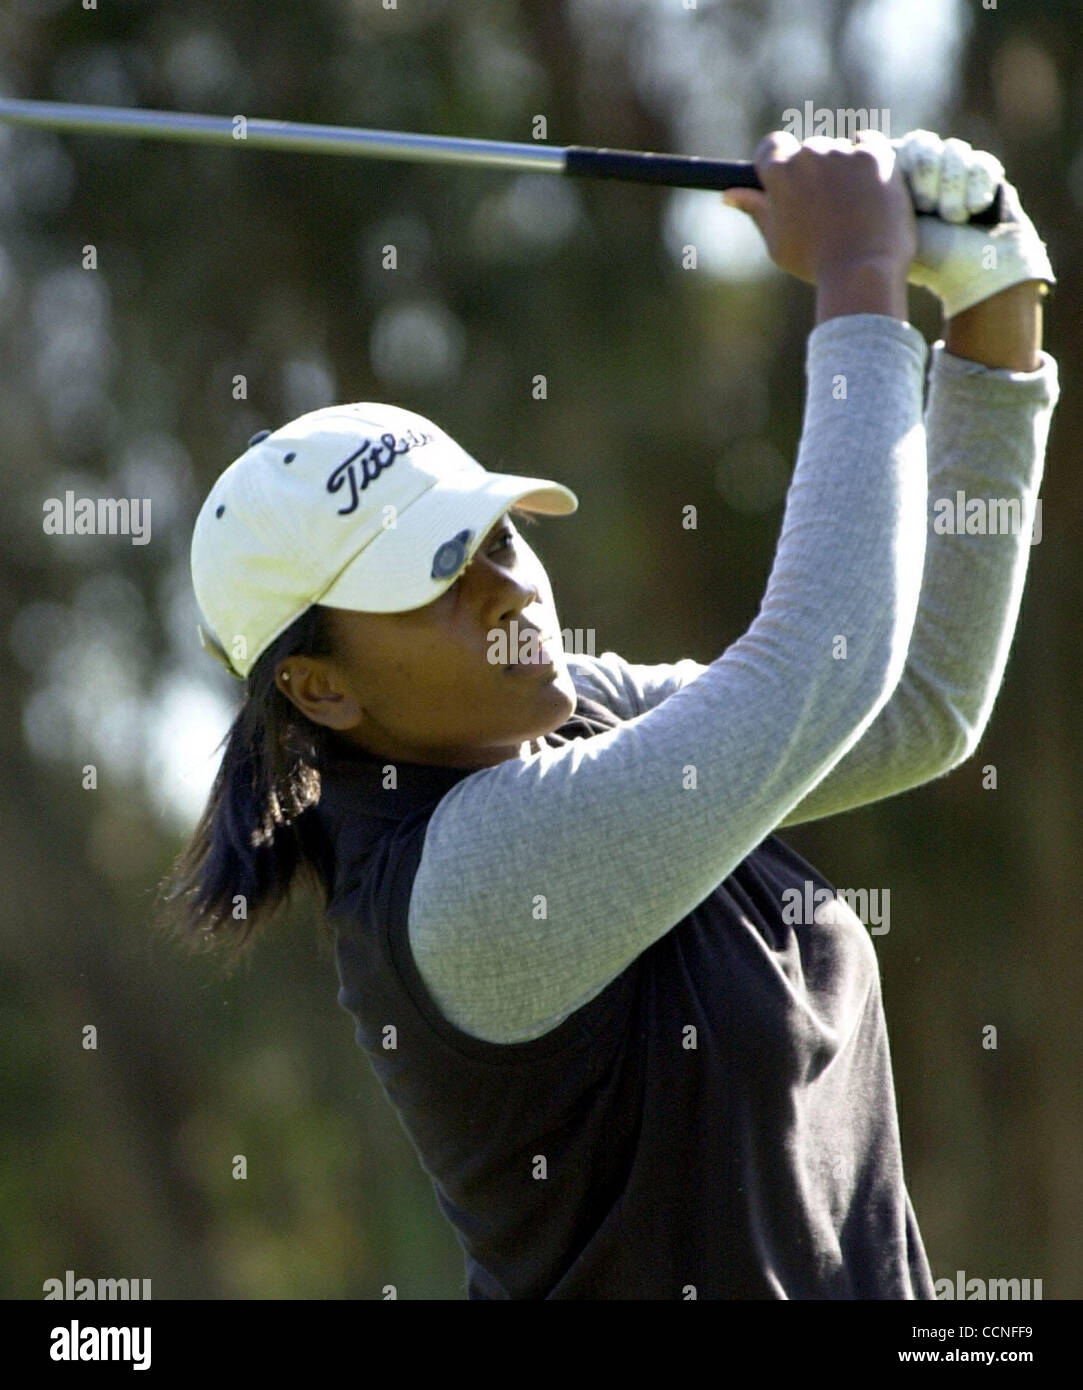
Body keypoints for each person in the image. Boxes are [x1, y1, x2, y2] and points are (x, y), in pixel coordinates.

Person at [158, 129, 1059, 1298]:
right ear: (319, 686)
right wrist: (856, 283)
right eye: (435, 579)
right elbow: (823, 669)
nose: (508, 588)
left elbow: (912, 704)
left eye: (500, 536)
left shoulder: (576, 716)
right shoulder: (464, 886)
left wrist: (991, 300)